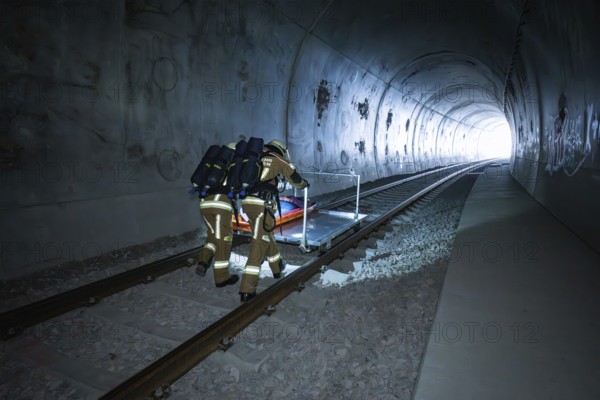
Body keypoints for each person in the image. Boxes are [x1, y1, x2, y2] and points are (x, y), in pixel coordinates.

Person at [239, 139, 309, 302]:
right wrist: (304, 184)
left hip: (247, 204)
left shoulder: (255, 157)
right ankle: (247, 289)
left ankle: (277, 266)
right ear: (280, 150)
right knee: (259, 243)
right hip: (263, 205)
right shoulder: (277, 159)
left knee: (265, 235)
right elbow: (296, 181)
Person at [194, 142, 239, 288]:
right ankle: (222, 277)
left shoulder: (213, 164)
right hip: (220, 206)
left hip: (204, 205)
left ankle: (203, 260)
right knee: (224, 240)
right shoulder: (233, 164)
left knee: (213, 236)